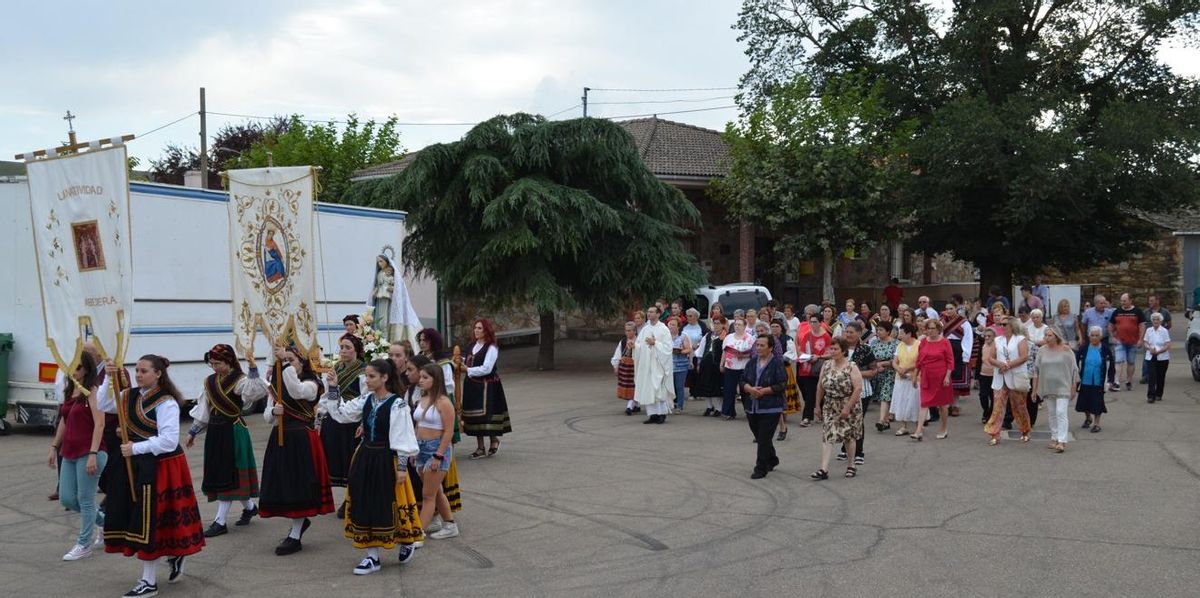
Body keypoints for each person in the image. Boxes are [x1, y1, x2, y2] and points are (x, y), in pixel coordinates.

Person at [101, 355, 205, 597]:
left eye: (144, 371)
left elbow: (169, 441)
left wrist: (135, 446)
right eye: (136, 370)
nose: (138, 374)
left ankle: (148, 581)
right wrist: (108, 378)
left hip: (162, 466)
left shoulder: (166, 402)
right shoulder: (128, 395)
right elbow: (104, 405)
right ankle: (175, 554)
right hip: (137, 464)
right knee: (144, 518)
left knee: (150, 521)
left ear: (158, 374)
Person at [326, 359, 423, 573]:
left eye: (371, 376)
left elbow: (403, 436)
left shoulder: (397, 404)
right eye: (366, 376)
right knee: (363, 501)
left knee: (388, 503)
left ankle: (405, 540)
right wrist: (333, 388)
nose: (367, 380)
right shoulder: (367, 398)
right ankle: (372, 557)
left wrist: (401, 468)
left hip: (386, 459)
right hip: (365, 457)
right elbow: (342, 414)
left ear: (385, 378)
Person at [260, 346, 335, 556]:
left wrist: (283, 364)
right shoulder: (278, 384)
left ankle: (295, 534)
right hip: (281, 439)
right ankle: (298, 526)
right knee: (285, 484)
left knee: (299, 485)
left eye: (292, 360)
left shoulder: (313, 384)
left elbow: (296, 391)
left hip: (302, 439)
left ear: (302, 363)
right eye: (287, 359)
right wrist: (274, 412)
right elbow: (267, 416)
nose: (289, 363)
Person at [186, 344, 267, 538]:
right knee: (223, 472)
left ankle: (220, 521)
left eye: (218, 363)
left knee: (229, 473)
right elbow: (204, 409)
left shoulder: (239, 380)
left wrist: (253, 368)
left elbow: (256, 391)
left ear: (229, 361)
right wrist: (193, 431)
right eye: (212, 363)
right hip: (215, 431)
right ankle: (249, 508)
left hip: (233, 430)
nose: (214, 367)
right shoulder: (209, 382)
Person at [48, 351, 106, 561]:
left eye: (79, 367)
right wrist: (54, 445)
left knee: (85, 499)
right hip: (70, 451)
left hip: (91, 451)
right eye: (72, 366)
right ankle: (105, 523)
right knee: (67, 498)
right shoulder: (69, 389)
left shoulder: (92, 391)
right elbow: (64, 419)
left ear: (87, 369)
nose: (74, 370)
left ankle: (84, 544)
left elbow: (100, 423)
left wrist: (93, 453)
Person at [413, 363, 461, 540]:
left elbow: (448, 432)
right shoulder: (422, 399)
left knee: (428, 495)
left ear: (436, 379)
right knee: (436, 491)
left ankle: (417, 534)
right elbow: (418, 425)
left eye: (426, 377)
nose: (421, 380)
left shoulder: (444, 402)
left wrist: (438, 455)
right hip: (421, 448)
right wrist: (414, 450)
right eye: (421, 377)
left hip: (437, 449)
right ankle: (449, 524)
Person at [319, 335, 366, 517]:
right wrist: (320, 416)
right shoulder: (335, 369)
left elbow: (365, 397)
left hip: (352, 421)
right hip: (334, 419)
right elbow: (325, 396)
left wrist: (363, 422)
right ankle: (348, 498)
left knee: (351, 461)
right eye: (342, 347)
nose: (344, 351)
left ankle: (352, 500)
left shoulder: (362, 371)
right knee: (337, 460)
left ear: (356, 350)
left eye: (348, 347)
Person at [810, 338, 864, 481]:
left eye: (835, 349)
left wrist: (847, 408)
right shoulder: (826, 365)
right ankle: (824, 469)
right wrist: (817, 405)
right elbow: (820, 386)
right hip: (830, 404)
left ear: (843, 351)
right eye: (831, 349)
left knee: (848, 435)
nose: (832, 352)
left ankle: (851, 465)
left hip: (849, 404)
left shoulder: (851, 366)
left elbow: (858, 388)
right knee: (828, 434)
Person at [461, 318, 512, 457]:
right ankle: (480, 447)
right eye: (475, 328)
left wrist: (468, 370)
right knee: (475, 415)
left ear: (486, 331)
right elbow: (465, 360)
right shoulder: (472, 346)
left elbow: (487, 368)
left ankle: (494, 440)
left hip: (488, 385)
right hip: (472, 385)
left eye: (480, 328)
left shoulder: (492, 347)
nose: (476, 330)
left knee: (487, 415)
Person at [741, 336, 787, 479]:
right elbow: (742, 380)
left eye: (762, 345)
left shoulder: (777, 363)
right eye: (757, 345)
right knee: (760, 437)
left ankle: (760, 468)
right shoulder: (752, 362)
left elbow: (781, 384)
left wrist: (762, 391)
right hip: (752, 407)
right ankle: (772, 459)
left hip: (770, 408)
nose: (758, 348)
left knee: (763, 439)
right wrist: (750, 389)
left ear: (770, 347)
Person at [984, 317, 1032, 445]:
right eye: (1000, 324)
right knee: (998, 406)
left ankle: (1025, 430)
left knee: (1019, 406)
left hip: (1015, 377)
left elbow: (1024, 356)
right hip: (1000, 377)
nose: (1002, 326)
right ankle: (994, 434)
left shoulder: (1020, 339)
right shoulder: (997, 340)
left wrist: (1009, 365)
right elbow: (991, 358)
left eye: (1004, 324)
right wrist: (1000, 365)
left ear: (1012, 325)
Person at [1032, 327, 1078, 453]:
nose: (1047, 338)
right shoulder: (1041, 350)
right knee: (1052, 413)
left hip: (1063, 386)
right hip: (1047, 386)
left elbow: (1074, 369)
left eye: (1050, 335)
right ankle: (1054, 437)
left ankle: (1062, 441)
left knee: (1061, 412)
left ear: (1056, 336)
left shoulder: (1066, 350)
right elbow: (1036, 370)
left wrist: (1074, 386)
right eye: (1045, 335)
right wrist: (1034, 389)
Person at [910, 319, 954, 440]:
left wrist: (947, 376)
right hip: (926, 376)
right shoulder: (923, 342)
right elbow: (919, 360)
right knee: (924, 403)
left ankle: (944, 428)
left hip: (941, 377)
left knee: (942, 405)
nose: (930, 331)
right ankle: (919, 430)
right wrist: (915, 376)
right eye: (928, 328)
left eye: (933, 328)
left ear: (938, 329)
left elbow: (950, 361)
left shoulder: (945, 342)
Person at [839, 322, 875, 465]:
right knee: (845, 419)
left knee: (857, 421)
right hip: (843, 391)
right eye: (846, 332)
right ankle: (845, 448)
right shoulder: (841, 348)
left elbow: (873, 370)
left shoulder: (866, 350)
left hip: (862, 390)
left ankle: (859, 452)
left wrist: (856, 373)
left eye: (851, 332)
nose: (848, 334)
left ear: (859, 334)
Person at [634, 306, 674, 424]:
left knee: (658, 389)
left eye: (652, 312)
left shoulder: (663, 329)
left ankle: (661, 414)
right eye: (648, 311)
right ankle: (652, 414)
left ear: (658, 314)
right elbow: (640, 344)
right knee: (648, 388)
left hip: (658, 364)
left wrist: (655, 343)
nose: (649, 314)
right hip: (647, 364)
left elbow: (668, 347)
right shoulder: (645, 329)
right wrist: (634, 346)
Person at [796, 313, 831, 427]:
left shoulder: (826, 337)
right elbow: (800, 350)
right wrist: (806, 356)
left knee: (814, 392)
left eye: (815, 322)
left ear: (821, 323)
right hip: (806, 368)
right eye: (811, 322)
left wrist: (818, 357)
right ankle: (818, 410)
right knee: (808, 392)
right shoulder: (807, 335)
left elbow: (830, 353)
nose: (812, 324)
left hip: (819, 368)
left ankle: (807, 417)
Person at [769, 319, 801, 440]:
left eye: (777, 326)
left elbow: (792, 354)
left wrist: (780, 358)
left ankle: (783, 415)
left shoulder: (787, 339)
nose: (774, 328)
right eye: (772, 326)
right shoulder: (768, 339)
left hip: (784, 369)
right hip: (770, 369)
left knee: (783, 393)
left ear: (781, 328)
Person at [1076, 327, 1112, 432]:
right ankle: (1088, 418)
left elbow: (1111, 365)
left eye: (1097, 335)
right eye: (1092, 335)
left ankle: (1097, 424)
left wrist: (1110, 380)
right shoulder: (1084, 348)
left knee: (1097, 402)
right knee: (1084, 401)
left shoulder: (1105, 349)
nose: (1094, 337)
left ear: (1100, 337)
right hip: (1085, 379)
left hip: (1099, 380)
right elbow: (1076, 362)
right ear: (1089, 336)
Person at [941, 302, 974, 415]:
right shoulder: (942, 322)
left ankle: (955, 405)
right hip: (945, 350)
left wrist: (966, 355)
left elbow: (968, 339)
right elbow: (940, 336)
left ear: (956, 309)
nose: (948, 311)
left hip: (959, 351)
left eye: (951, 308)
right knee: (945, 377)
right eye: (947, 309)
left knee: (956, 378)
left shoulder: (964, 322)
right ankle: (946, 404)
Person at [1109, 293, 1147, 392]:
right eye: (1121, 301)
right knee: (1118, 361)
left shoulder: (1137, 311)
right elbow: (1111, 325)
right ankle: (1116, 382)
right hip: (1120, 341)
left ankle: (1128, 381)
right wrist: (1112, 336)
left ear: (1130, 300)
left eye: (1124, 301)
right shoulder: (1117, 311)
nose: (1122, 303)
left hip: (1133, 341)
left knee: (1131, 362)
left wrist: (1141, 339)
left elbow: (1142, 326)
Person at [719, 317, 755, 420]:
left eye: (739, 324)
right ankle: (728, 412)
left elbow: (753, 353)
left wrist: (743, 355)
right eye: (735, 324)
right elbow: (725, 351)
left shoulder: (750, 338)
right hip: (730, 366)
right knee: (729, 390)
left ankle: (749, 411)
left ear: (744, 326)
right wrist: (722, 364)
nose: (737, 326)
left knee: (745, 391)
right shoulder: (729, 337)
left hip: (744, 367)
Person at [889, 323, 921, 436]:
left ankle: (918, 426)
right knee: (902, 401)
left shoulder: (919, 344)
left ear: (909, 333)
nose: (900, 335)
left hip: (915, 378)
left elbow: (920, 362)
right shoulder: (900, 345)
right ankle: (904, 426)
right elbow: (894, 361)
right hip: (901, 378)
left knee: (915, 401)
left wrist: (907, 369)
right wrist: (899, 369)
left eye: (902, 333)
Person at [1080, 295, 1117, 391]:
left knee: (1105, 359)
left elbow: (1114, 324)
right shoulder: (1088, 312)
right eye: (1101, 303)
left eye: (1104, 303)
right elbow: (1083, 325)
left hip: (1104, 339)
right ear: (1095, 303)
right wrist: (1083, 338)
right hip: (1090, 339)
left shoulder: (1109, 313)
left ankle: (1107, 379)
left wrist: (1113, 335)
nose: (1104, 305)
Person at [693, 317, 727, 417]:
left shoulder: (725, 337)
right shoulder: (708, 336)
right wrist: (699, 363)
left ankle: (719, 408)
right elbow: (701, 350)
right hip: (706, 364)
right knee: (705, 386)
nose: (716, 325)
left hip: (717, 365)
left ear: (723, 325)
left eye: (718, 323)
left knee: (716, 387)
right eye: (714, 323)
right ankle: (709, 406)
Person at [870, 321, 898, 432]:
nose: (878, 332)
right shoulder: (874, 343)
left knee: (885, 396)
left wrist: (883, 364)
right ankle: (886, 421)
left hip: (890, 373)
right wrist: (875, 366)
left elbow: (897, 360)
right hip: (877, 372)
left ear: (888, 331)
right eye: (877, 330)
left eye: (881, 330)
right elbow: (870, 358)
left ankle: (881, 420)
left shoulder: (896, 343)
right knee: (882, 397)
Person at [1141, 294, 1172, 384]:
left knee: (1160, 357)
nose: (1149, 302)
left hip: (1160, 339)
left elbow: (1169, 324)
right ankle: (1145, 376)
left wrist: (1163, 332)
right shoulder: (1146, 312)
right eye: (1149, 300)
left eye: (1151, 301)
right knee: (1147, 357)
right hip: (1148, 337)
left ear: (1157, 301)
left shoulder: (1165, 312)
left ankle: (1157, 376)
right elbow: (1142, 324)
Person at [611, 322, 639, 415]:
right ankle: (636, 405)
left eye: (629, 330)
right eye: (626, 331)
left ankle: (629, 406)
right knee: (628, 387)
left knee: (635, 387)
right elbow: (617, 354)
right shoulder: (623, 341)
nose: (627, 333)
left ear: (634, 331)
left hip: (636, 368)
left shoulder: (639, 341)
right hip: (625, 369)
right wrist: (616, 367)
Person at [1143, 312, 1171, 403]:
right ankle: (1151, 396)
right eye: (1154, 319)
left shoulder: (1164, 331)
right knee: (1152, 376)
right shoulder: (1148, 330)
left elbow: (1167, 345)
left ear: (1161, 321)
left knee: (1160, 377)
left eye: (1157, 319)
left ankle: (1159, 394)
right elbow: (1145, 342)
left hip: (1162, 357)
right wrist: (1149, 348)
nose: (1155, 321)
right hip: (1150, 356)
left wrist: (1159, 351)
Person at [668, 317, 693, 412]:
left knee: (679, 386)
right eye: (670, 324)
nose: (671, 326)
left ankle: (679, 405)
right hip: (669, 365)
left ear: (678, 326)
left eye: (673, 324)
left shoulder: (683, 336)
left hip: (681, 365)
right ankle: (670, 404)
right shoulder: (666, 336)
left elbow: (689, 349)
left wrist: (681, 351)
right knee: (670, 386)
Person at [976, 328, 998, 423]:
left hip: (994, 375)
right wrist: (976, 376)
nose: (987, 338)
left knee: (993, 397)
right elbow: (978, 361)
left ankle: (989, 415)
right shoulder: (982, 346)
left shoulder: (997, 347)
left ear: (994, 337)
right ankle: (986, 411)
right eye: (985, 336)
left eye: (989, 336)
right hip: (983, 375)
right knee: (983, 395)